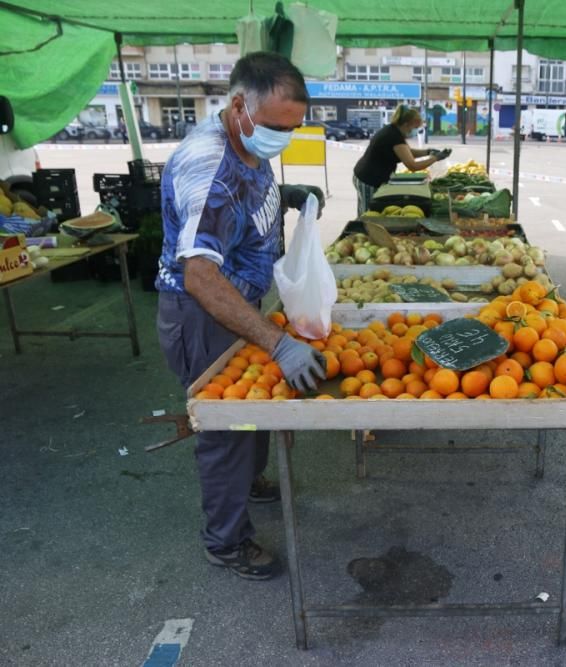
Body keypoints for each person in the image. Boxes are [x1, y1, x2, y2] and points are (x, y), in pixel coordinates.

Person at [156, 52, 329, 580]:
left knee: (253, 409)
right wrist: (277, 343)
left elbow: (249, 196)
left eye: (294, 128)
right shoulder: (207, 167)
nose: (284, 137)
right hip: (204, 310)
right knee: (226, 427)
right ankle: (226, 541)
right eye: (277, 127)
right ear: (239, 106)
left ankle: (248, 483)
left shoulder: (249, 139)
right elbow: (201, 276)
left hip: (242, 303)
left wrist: (287, 196)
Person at [352, 104, 451, 217]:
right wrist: (435, 158)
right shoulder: (394, 136)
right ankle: (364, 232)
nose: (413, 131)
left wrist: (428, 152)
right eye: (413, 128)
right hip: (368, 179)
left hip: (368, 176)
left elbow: (407, 153)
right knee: (369, 214)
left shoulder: (393, 131)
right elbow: (412, 166)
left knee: (368, 212)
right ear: (406, 124)